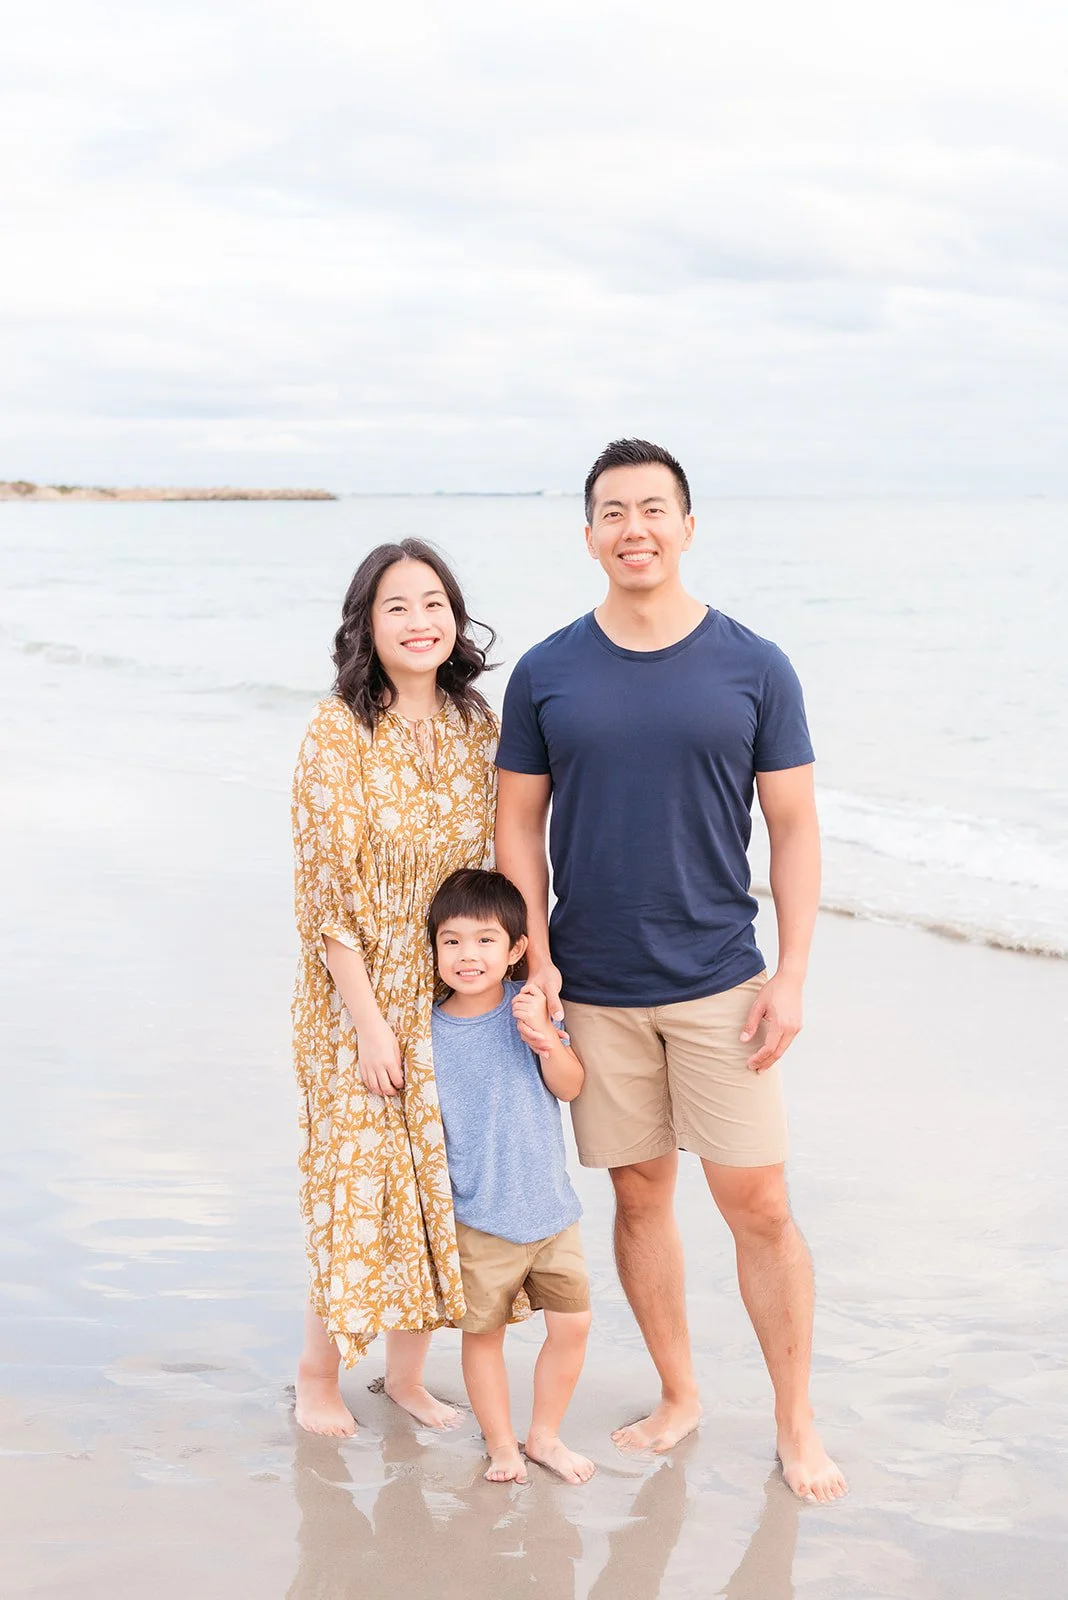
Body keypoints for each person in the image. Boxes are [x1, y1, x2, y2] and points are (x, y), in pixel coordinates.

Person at [494, 438, 848, 1503]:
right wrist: (538, 962)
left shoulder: (754, 664)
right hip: (594, 991)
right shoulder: (548, 671)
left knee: (762, 1205)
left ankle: (795, 1416)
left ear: (688, 526)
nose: (634, 527)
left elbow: (792, 827)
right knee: (641, 1198)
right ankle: (680, 1391)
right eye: (613, 510)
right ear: (590, 533)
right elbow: (518, 825)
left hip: (721, 985)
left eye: (654, 508)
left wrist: (790, 974)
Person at [290, 537, 502, 1437]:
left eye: (433, 605)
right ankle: (316, 1374)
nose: (419, 623)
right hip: (359, 995)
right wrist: (373, 1025)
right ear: (365, 626)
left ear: (455, 618)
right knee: (363, 1180)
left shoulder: (477, 726)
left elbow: (497, 861)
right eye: (396, 608)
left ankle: (407, 1378)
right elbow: (327, 900)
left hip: (453, 987)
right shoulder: (338, 729)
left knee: (436, 1188)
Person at [427, 868, 594, 1485]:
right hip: (481, 1217)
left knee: (573, 1323)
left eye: (486, 940)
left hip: (552, 1211)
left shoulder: (531, 1009)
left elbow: (572, 1087)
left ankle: (544, 1435)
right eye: (452, 941)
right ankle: (501, 1445)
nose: (468, 955)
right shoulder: (428, 1032)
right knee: (484, 1336)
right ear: (436, 948)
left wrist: (546, 1041)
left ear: (517, 949)